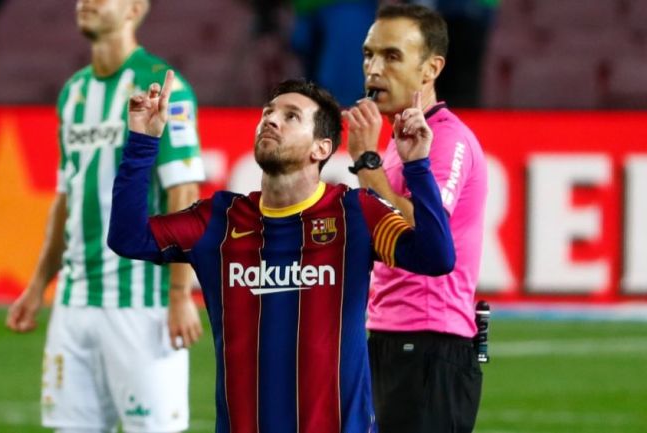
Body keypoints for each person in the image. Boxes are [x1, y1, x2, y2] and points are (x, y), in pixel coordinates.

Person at [108, 71, 456, 432]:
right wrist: (143, 141)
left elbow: (436, 257)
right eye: (268, 112)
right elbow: (128, 237)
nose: (270, 119)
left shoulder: (357, 213)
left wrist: (417, 164)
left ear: (321, 148)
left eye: (291, 116)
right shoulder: (218, 220)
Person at [5, 0, 205, 432]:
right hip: (74, 302)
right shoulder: (73, 92)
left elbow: (183, 190)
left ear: (135, 8)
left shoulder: (160, 84)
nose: (86, 3)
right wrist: (39, 284)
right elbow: (67, 197)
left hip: (142, 304)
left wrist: (178, 295)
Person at [343, 3, 487, 432]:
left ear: (431, 69)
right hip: (389, 338)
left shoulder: (445, 139)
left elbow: (425, 231)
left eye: (391, 56)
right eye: (369, 54)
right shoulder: (398, 140)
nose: (373, 68)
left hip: (429, 342)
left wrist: (366, 166)